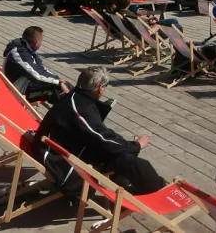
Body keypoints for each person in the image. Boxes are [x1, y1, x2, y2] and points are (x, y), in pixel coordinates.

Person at [32, 67, 164, 197]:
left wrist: (129, 146)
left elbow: (98, 133)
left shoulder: (75, 98)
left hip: (66, 150)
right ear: (101, 88)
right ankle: (157, 191)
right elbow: (103, 137)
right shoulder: (81, 109)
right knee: (128, 159)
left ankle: (126, 183)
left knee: (122, 154)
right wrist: (136, 145)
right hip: (61, 163)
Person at [3, 26, 70, 104]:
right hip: (17, 90)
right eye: (41, 40)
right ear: (37, 43)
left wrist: (58, 80)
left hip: (26, 83)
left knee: (65, 86)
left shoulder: (26, 48)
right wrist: (58, 82)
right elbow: (37, 76)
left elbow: (41, 69)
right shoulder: (20, 53)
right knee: (59, 92)